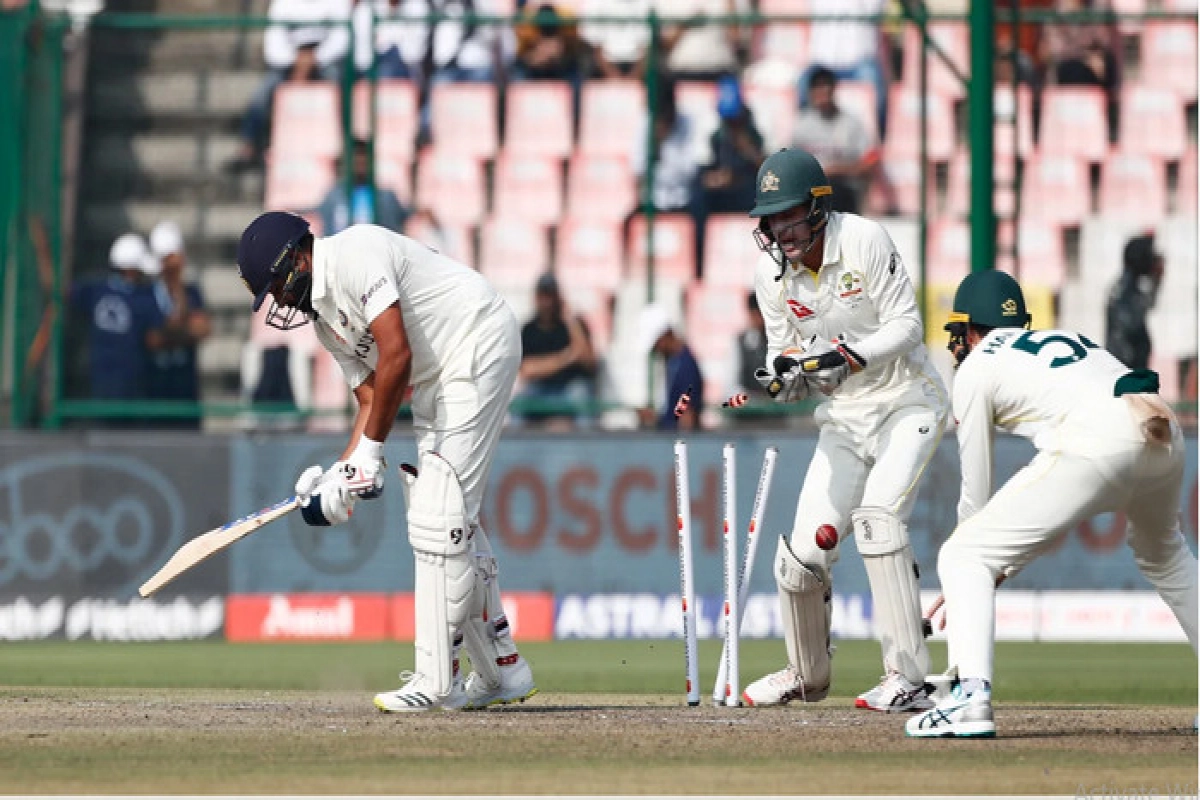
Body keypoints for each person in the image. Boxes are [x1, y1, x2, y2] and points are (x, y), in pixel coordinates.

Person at [235, 211, 536, 712]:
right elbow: (372, 399)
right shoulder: (326, 324)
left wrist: (370, 453)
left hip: (476, 341)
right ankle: (504, 669)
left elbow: (395, 355)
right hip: (438, 373)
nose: (281, 300)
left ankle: (437, 682)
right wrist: (341, 474)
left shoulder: (356, 253)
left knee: (439, 517)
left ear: (298, 257)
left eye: (277, 285)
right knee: (448, 515)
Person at [906, 269, 1197, 738]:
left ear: (970, 330)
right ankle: (967, 686)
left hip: (1100, 437)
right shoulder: (1064, 336)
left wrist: (973, 569)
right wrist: (991, 565)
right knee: (1166, 554)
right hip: (1162, 425)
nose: (958, 346)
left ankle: (970, 698)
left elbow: (974, 493)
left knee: (965, 552)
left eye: (959, 334)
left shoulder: (979, 366)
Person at [740, 148, 949, 712]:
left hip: (908, 401)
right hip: (843, 419)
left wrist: (848, 356)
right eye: (771, 218)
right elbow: (783, 352)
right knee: (802, 557)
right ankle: (807, 674)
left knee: (879, 520)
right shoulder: (770, 274)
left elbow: (909, 326)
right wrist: (785, 379)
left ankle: (906, 677)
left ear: (817, 208)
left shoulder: (864, 239)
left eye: (790, 215)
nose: (780, 228)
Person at [228, 0, 352, 171]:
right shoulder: (282, 3)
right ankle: (249, 147)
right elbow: (273, 45)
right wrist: (296, 62)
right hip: (289, 61)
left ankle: (344, 146)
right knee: (261, 96)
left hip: (325, 60)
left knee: (340, 88)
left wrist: (315, 59)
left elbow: (342, 39)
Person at [68, 232, 159, 410]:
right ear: (130, 269)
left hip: (109, 380)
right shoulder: (143, 299)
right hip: (125, 382)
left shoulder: (96, 289)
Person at [144, 221, 213, 429]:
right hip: (153, 393)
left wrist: (172, 330)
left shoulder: (190, 293)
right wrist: (183, 332)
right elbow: (152, 340)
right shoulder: (146, 295)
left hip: (186, 392)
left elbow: (202, 330)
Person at [791, 67, 880, 215]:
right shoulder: (802, 124)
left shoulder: (851, 123)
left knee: (831, 191)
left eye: (825, 88)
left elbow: (870, 162)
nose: (822, 95)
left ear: (833, 90)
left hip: (844, 189)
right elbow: (792, 163)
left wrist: (836, 170)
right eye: (817, 89)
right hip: (811, 189)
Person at [515, 273, 597, 430]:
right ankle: (519, 453)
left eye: (551, 296)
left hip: (569, 387)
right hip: (541, 388)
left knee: (582, 396)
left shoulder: (573, 325)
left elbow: (588, 360)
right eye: (543, 296)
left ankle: (588, 450)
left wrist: (570, 318)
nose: (547, 302)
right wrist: (566, 357)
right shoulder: (529, 329)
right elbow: (527, 370)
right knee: (519, 402)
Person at [797, 0, 888, 138]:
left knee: (877, 89)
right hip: (822, 61)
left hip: (859, 61)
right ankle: (804, 138)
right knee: (803, 85)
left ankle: (879, 142)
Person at [316, 138, 410, 234]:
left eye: (363, 162)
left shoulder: (386, 197)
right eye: (356, 162)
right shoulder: (333, 196)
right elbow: (328, 232)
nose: (360, 166)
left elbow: (394, 232)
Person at [636, 303, 703, 431]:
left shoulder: (685, 366)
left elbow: (686, 418)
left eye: (656, 343)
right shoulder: (675, 363)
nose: (656, 350)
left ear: (665, 335)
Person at [1105, 232, 1163, 372]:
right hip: (1126, 369)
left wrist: (1157, 280)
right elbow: (1129, 330)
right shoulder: (1125, 291)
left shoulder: (1130, 286)